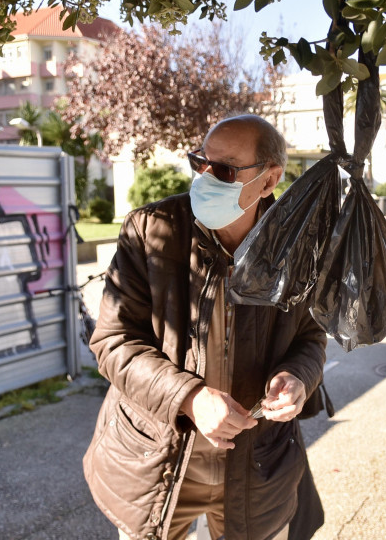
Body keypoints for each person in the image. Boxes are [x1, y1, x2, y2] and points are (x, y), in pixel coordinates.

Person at [83, 114, 328, 540]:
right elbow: (113, 341)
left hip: (255, 472)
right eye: (201, 162)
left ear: (269, 180)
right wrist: (190, 397)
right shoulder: (151, 230)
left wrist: (298, 378)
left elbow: (311, 337)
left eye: (225, 169)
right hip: (155, 464)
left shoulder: (298, 247)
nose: (206, 177)